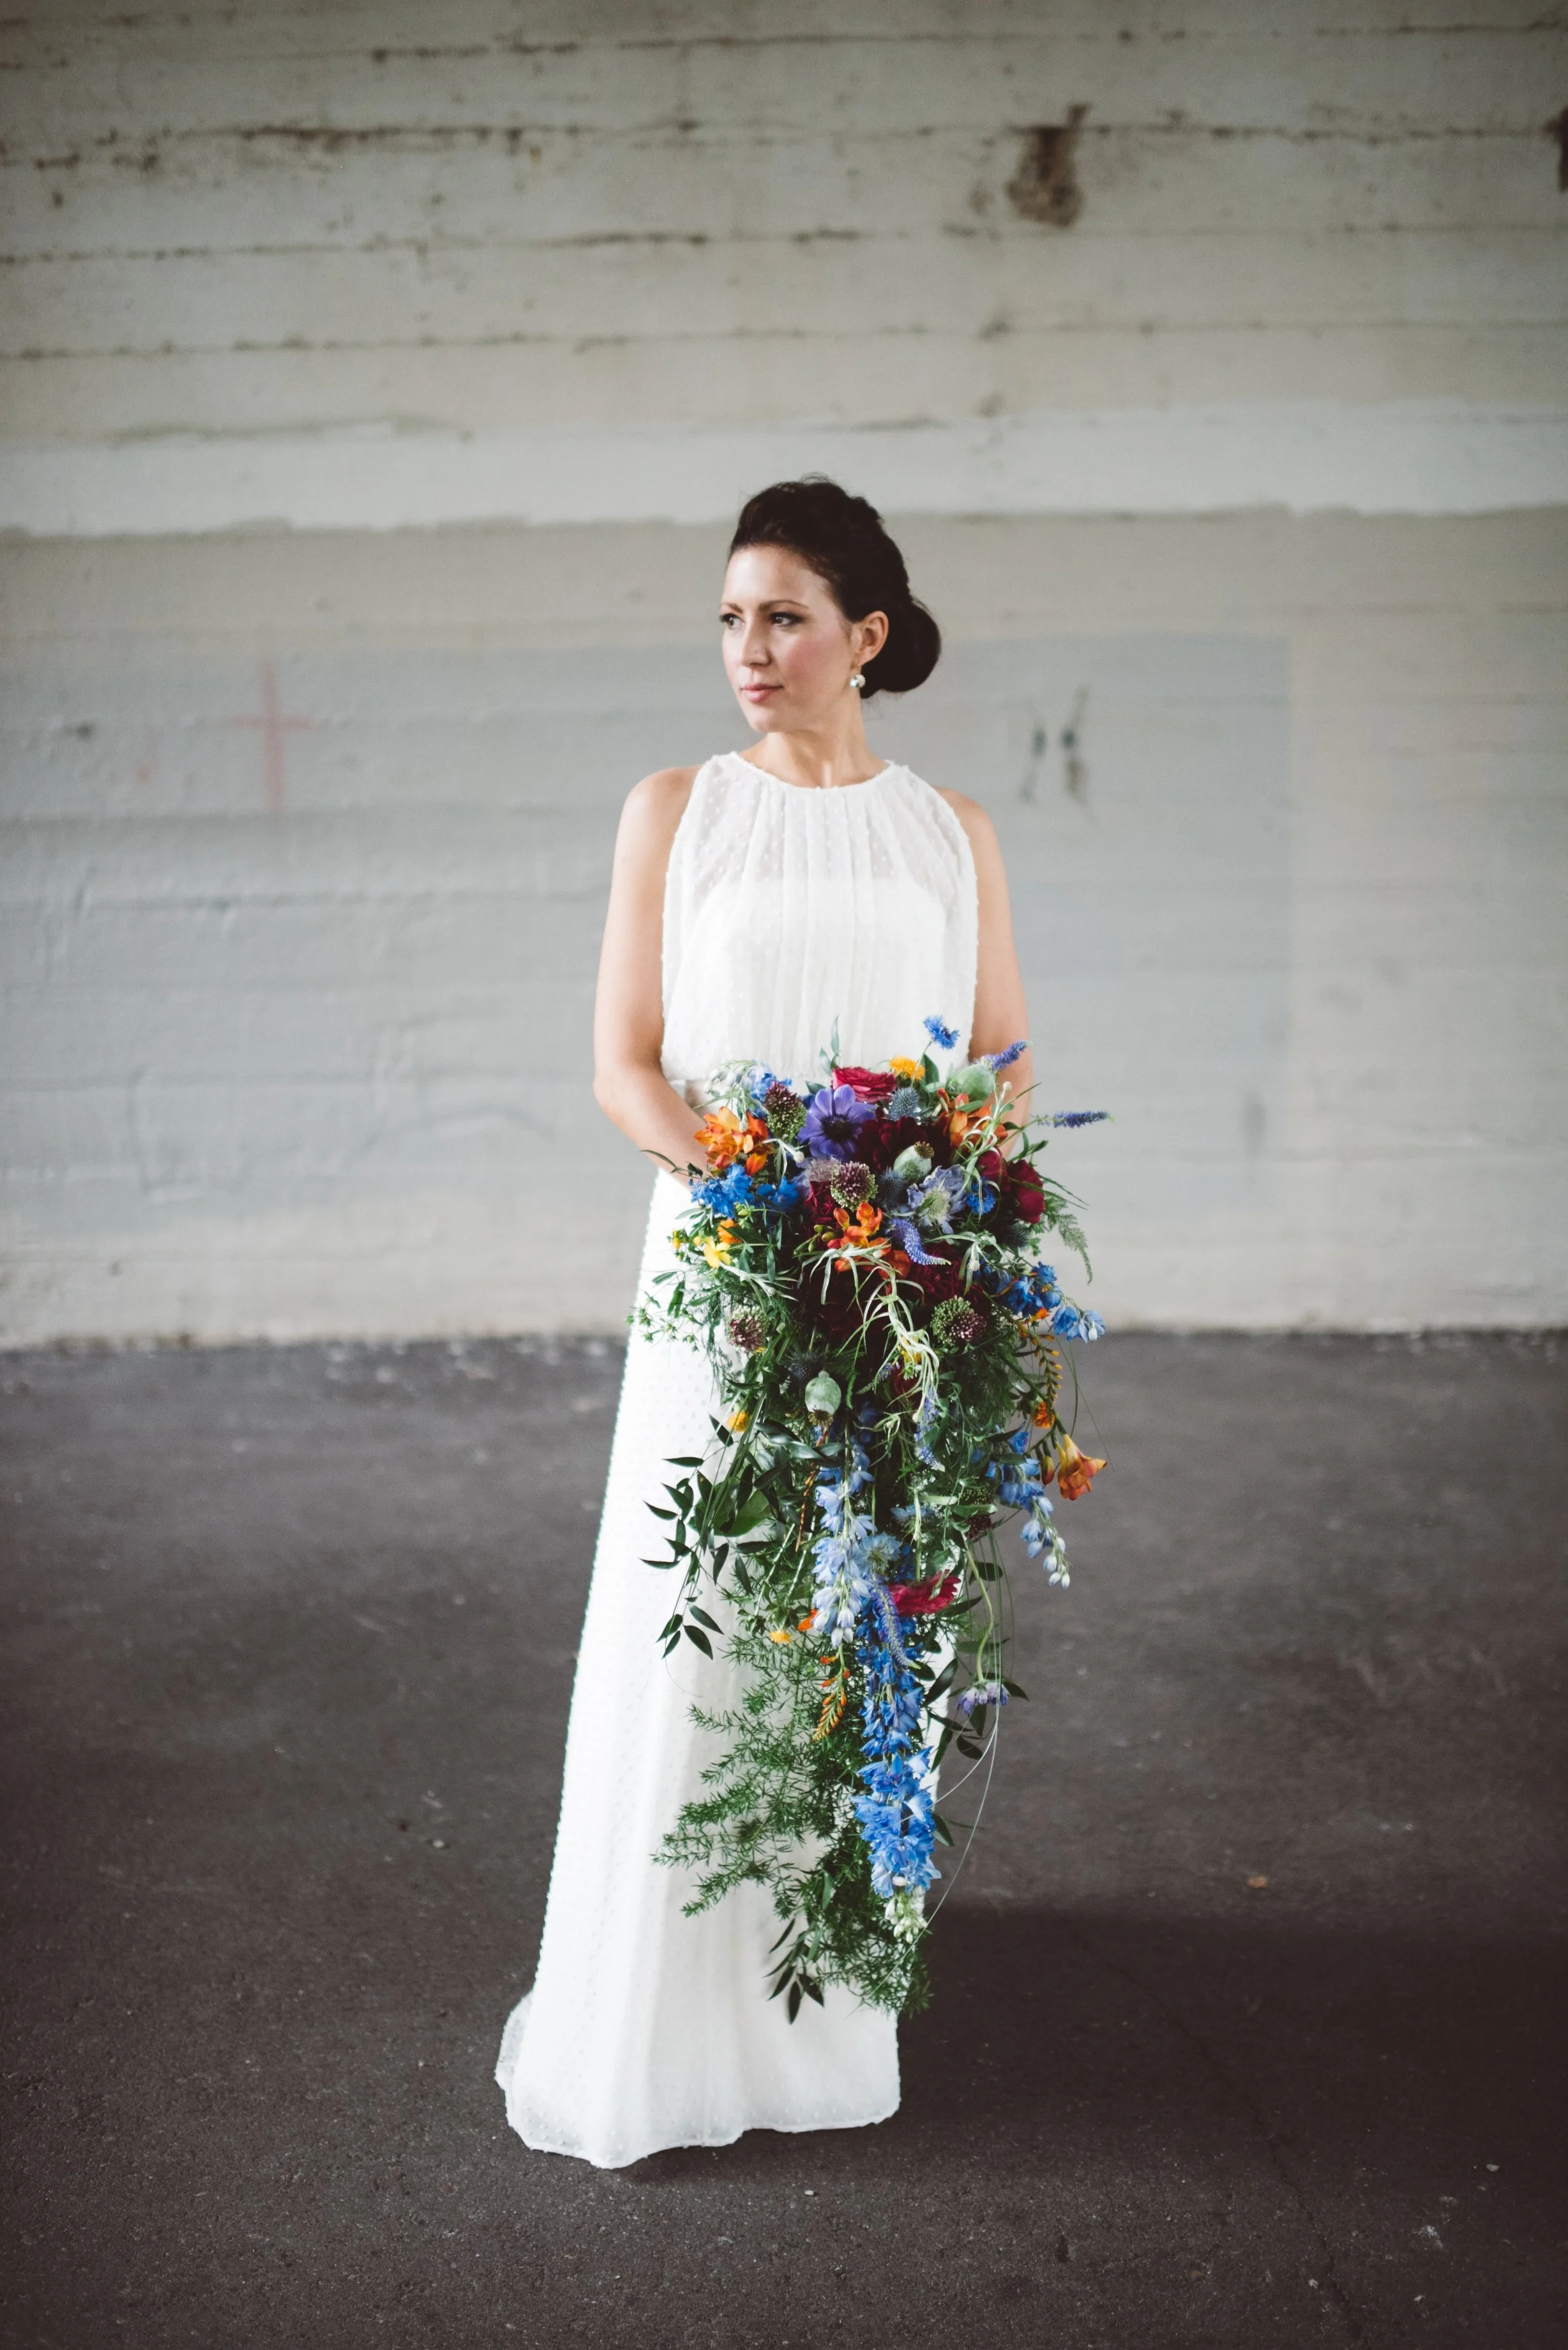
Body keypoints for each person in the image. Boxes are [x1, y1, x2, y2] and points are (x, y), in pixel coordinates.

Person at [495, 477, 1033, 2168]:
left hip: (895, 1293)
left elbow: (1001, 1070)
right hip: (729, 1274)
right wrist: (771, 1207)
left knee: (862, 1627)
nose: (750, 646)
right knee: (706, 1607)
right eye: (731, 615)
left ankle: (815, 2020)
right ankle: (654, 2027)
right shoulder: (676, 810)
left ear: (865, 636)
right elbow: (623, 1065)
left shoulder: (952, 832)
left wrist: (954, 1252)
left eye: (784, 615)